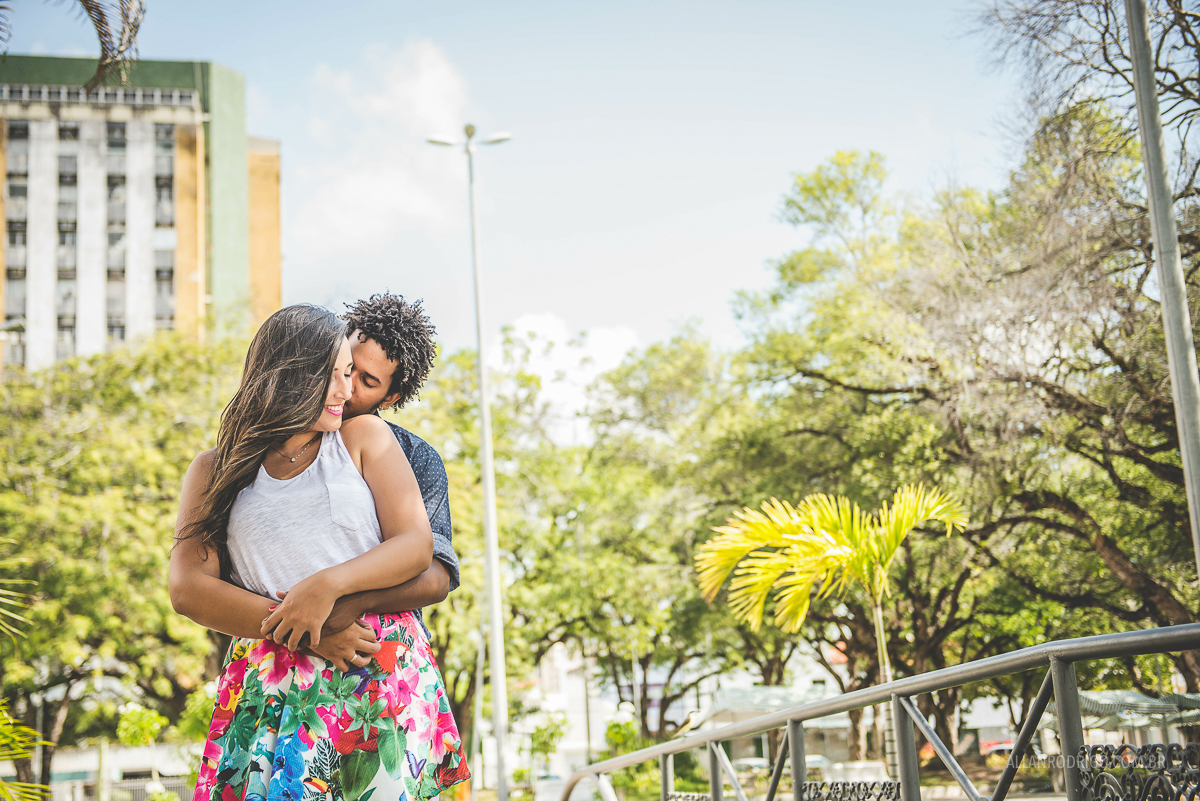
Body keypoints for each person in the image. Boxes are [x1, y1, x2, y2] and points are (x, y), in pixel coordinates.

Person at [170, 305, 469, 801]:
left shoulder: (374, 439)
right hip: (274, 669)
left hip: (372, 667)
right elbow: (188, 589)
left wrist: (328, 588)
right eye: (334, 372)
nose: (346, 391)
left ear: (390, 396)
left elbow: (423, 554)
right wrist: (306, 630)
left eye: (354, 377)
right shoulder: (213, 469)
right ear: (286, 375)